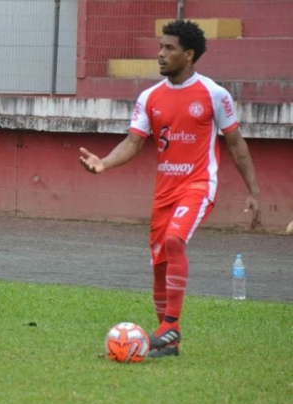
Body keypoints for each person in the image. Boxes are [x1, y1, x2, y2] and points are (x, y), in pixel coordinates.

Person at [78, 20, 260, 358]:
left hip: (198, 185)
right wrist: (104, 162)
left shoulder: (214, 94)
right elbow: (133, 143)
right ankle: (169, 340)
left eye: (169, 48)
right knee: (160, 263)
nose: (160, 54)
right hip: (164, 192)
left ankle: (171, 324)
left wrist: (254, 191)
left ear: (188, 54)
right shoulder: (150, 97)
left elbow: (236, 144)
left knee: (175, 240)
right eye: (160, 47)